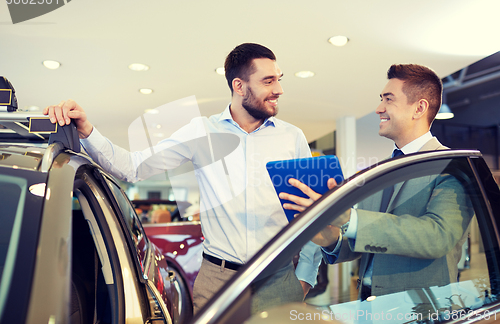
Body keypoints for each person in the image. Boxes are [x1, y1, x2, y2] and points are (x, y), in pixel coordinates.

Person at [44, 43, 322, 313]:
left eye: (279, 80)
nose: (279, 90)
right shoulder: (202, 132)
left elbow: (313, 210)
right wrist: (87, 131)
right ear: (239, 86)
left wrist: (306, 276)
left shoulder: (292, 137)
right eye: (269, 81)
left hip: (279, 280)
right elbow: (134, 167)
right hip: (218, 282)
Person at [279, 64, 474, 300]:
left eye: (388, 99)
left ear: (419, 108)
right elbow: (367, 240)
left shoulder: (452, 166)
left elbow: (437, 237)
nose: (378, 108)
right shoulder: (381, 171)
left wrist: (351, 218)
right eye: (381, 99)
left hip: (421, 311)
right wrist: (330, 240)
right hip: (370, 306)